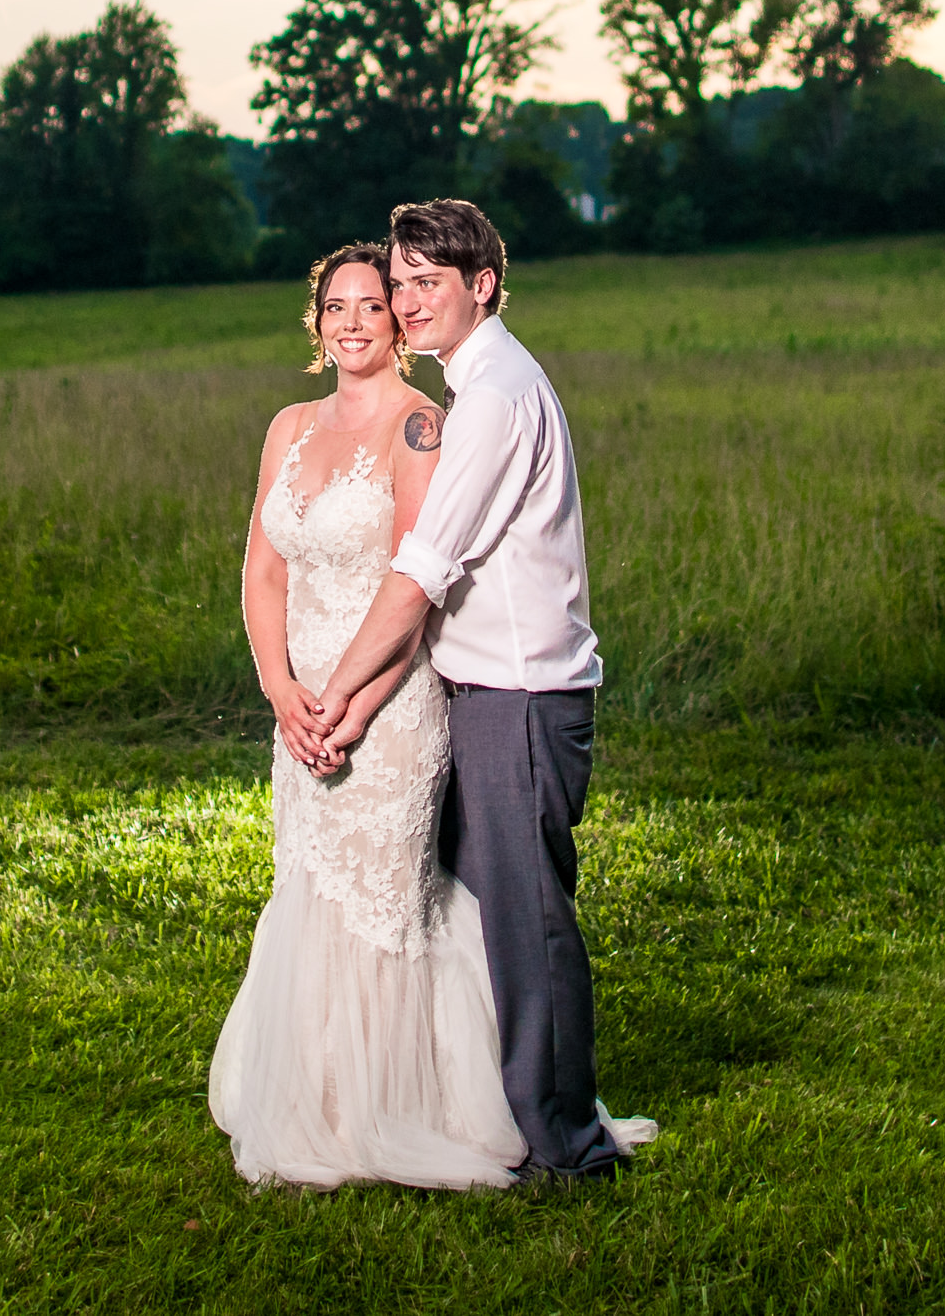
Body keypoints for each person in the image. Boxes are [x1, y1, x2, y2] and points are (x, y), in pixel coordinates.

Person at [306, 198, 653, 1182]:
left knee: (526, 923)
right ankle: (502, 1110)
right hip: (489, 694)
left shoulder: (496, 393)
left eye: (430, 282)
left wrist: (334, 691)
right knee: (480, 912)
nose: (409, 302)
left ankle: (568, 1148)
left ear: (482, 285)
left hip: (523, 701)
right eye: (401, 282)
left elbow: (425, 568)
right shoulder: (479, 383)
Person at [204, 242, 524, 1189]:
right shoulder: (288, 426)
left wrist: (353, 703)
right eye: (334, 307)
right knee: (308, 888)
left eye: (371, 306)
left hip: (384, 708)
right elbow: (265, 570)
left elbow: (414, 587)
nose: (351, 322)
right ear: (318, 323)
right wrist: (280, 689)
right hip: (298, 705)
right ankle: (315, 1093)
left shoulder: (421, 426)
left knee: (384, 904)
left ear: (399, 321)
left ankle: (395, 1108)